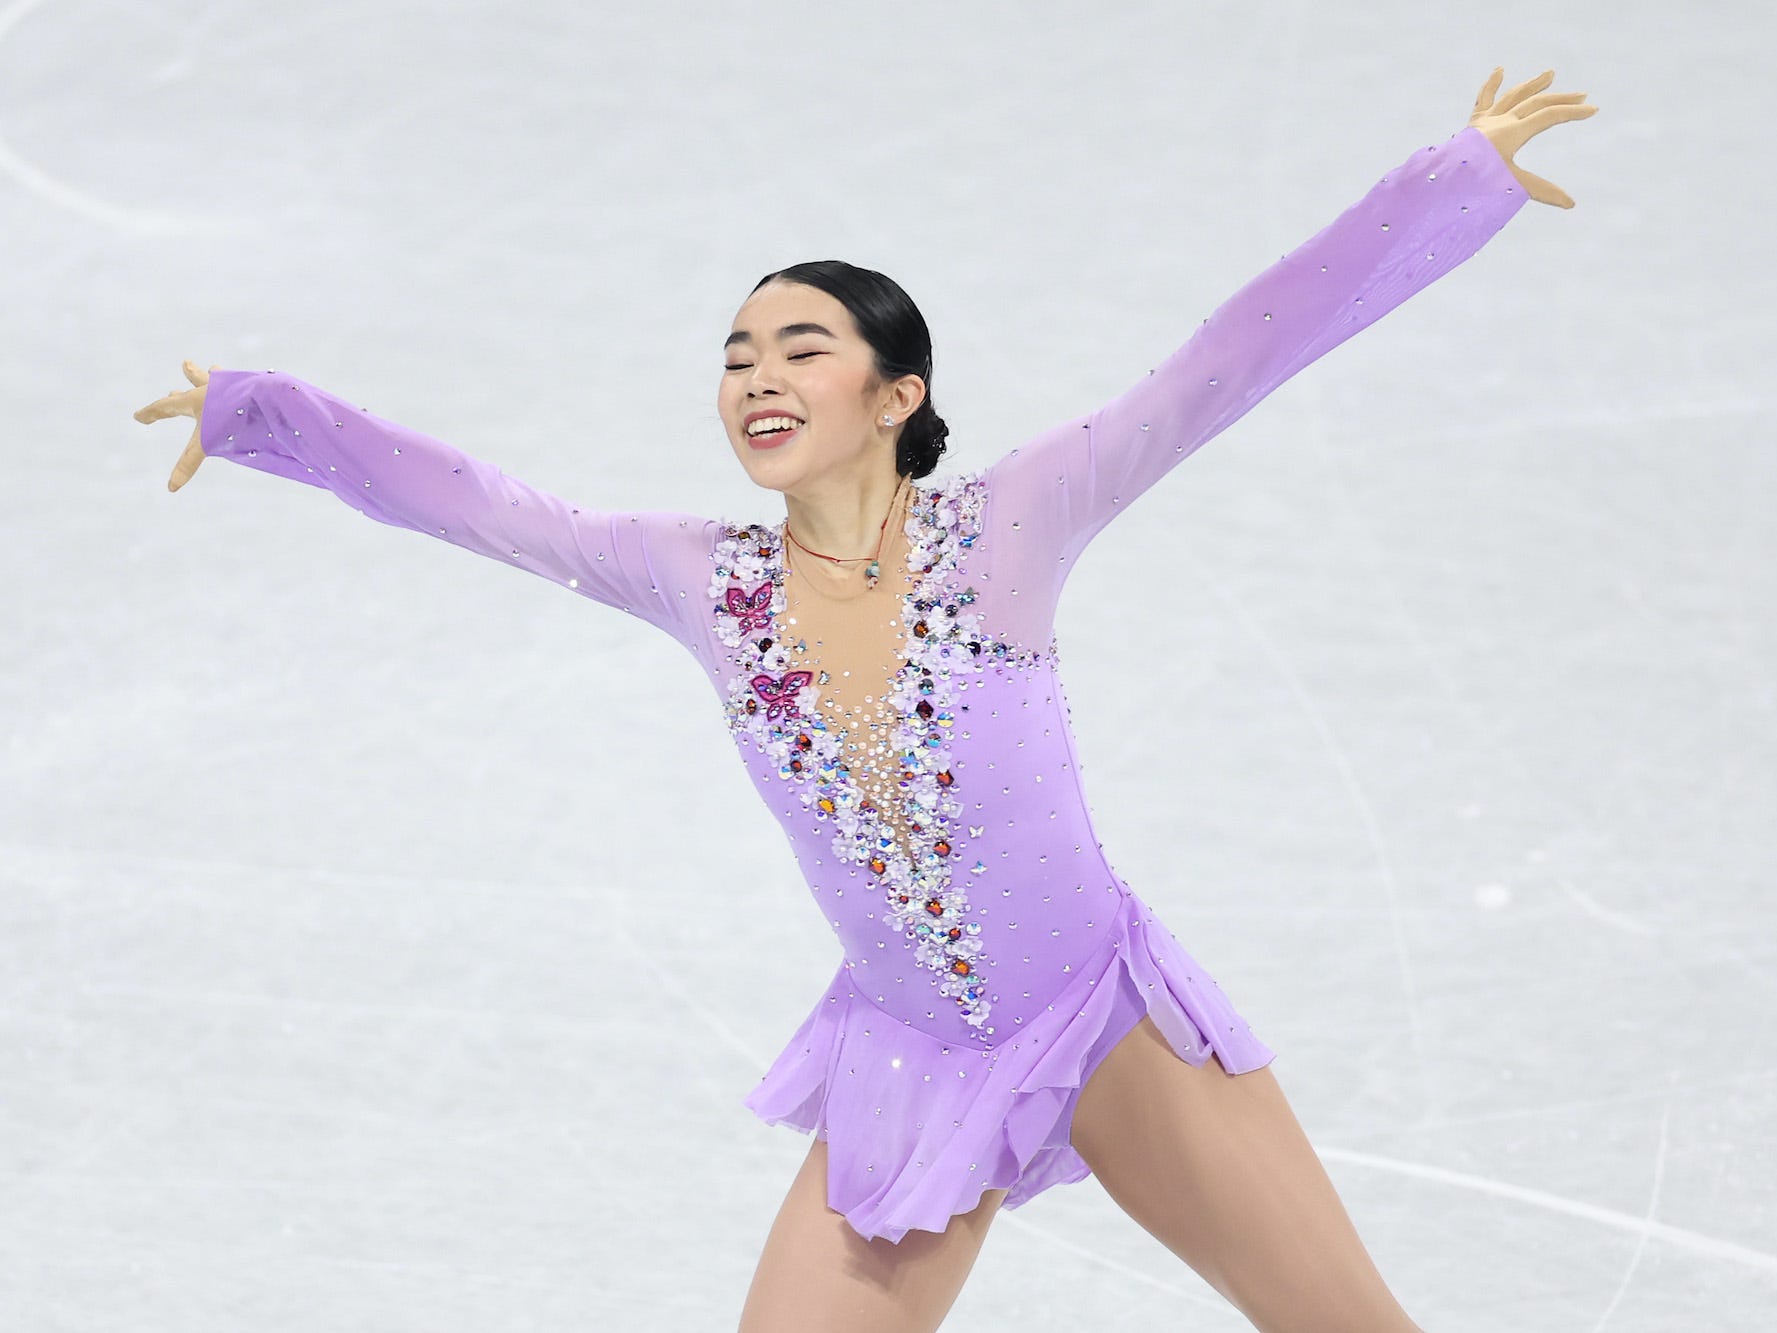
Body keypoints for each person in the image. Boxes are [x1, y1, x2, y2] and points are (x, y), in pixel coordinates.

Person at [135, 66, 1594, 1333]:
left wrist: (1453, 181)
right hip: (902, 1062)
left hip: (1101, 1020)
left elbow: (1221, 365)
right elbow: (486, 505)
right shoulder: (703, 582)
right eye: (734, 358)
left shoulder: (1012, 522)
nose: (755, 379)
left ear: (894, 394)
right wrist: (260, 412)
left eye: (799, 349)